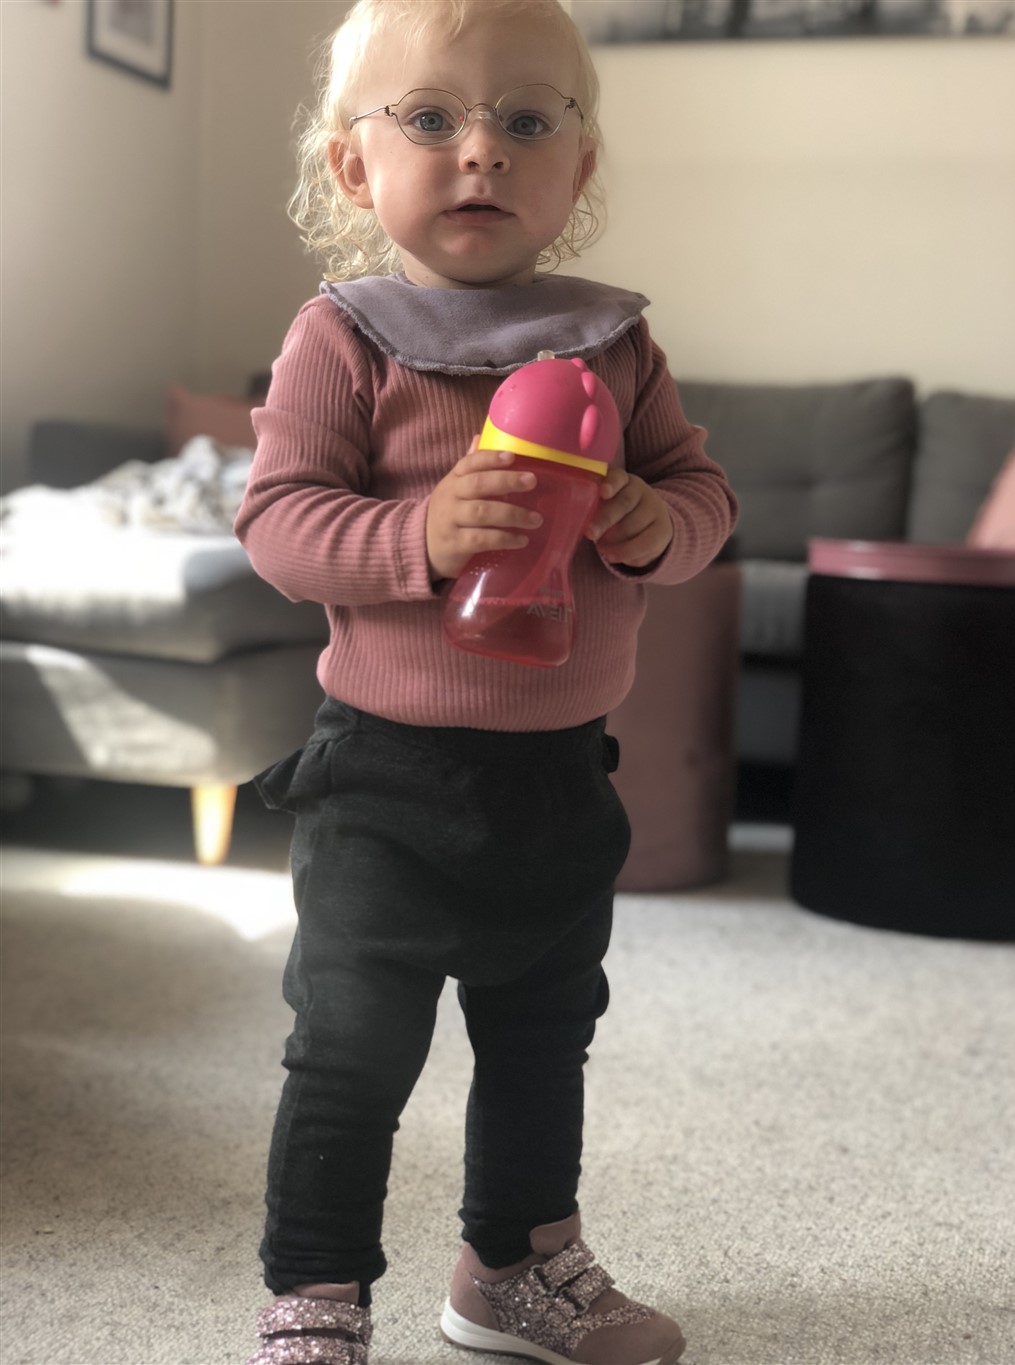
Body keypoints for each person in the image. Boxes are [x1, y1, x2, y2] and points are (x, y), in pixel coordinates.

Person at [236, 1, 737, 1362]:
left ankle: (513, 1268)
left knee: (543, 1038)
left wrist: (656, 524)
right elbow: (278, 524)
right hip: (384, 778)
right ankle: (317, 1295)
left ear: (579, 167)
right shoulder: (345, 337)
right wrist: (421, 537)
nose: (482, 151)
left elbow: (704, 497)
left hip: (560, 775)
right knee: (349, 1048)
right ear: (354, 166)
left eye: (526, 121)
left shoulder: (612, 345)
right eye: (430, 118)